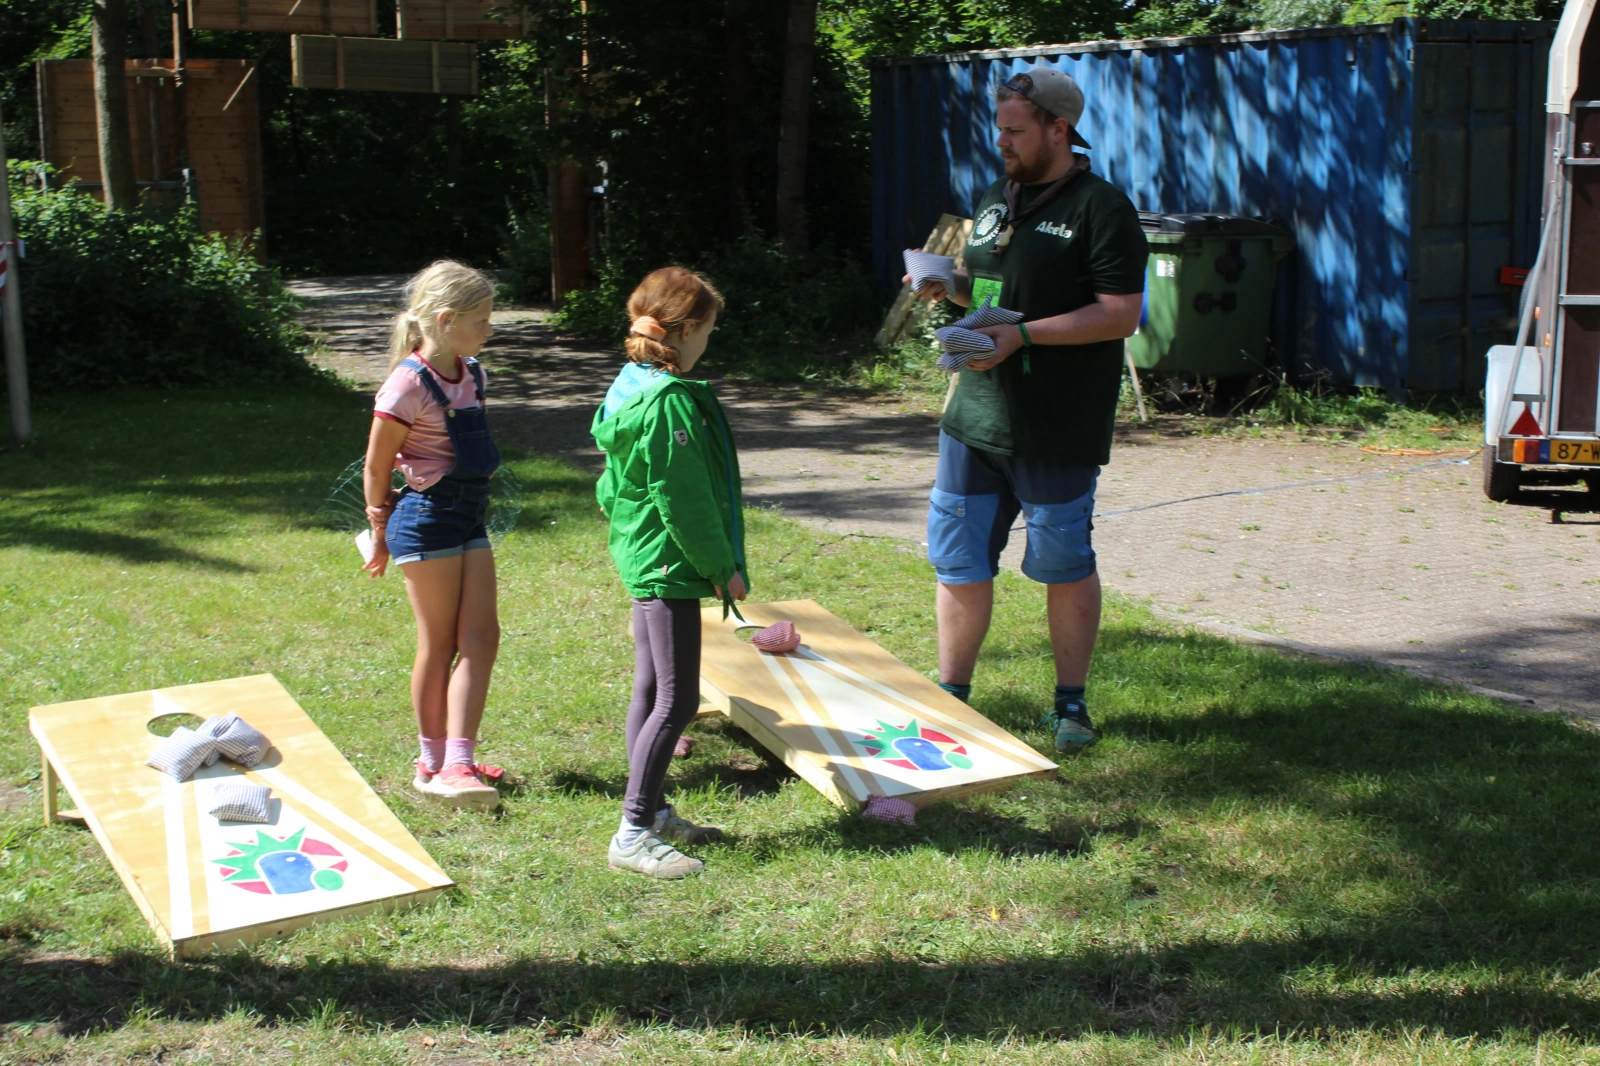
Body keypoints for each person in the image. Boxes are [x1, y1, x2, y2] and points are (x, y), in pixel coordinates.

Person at [907, 65, 1147, 753]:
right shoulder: (995, 196)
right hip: (974, 418)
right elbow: (988, 290)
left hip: (1056, 425)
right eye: (1000, 128)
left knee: (1063, 561)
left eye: (1015, 130)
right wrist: (946, 285)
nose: (1002, 141)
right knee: (959, 558)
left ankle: (1070, 708)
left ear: (1058, 128)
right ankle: (952, 696)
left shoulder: (1102, 209)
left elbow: (1120, 314)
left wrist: (1026, 336)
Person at [591, 266, 747, 879]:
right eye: (708, 330)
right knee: (677, 698)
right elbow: (683, 498)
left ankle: (652, 812)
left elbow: (614, 479)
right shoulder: (669, 401)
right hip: (668, 561)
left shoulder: (631, 381)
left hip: (644, 551)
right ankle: (632, 833)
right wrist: (722, 568)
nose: (709, 341)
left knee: (652, 687)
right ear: (684, 332)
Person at [362, 260, 504, 811]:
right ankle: (432, 762)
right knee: (439, 643)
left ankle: (459, 761)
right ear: (446, 320)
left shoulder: (473, 374)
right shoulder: (406, 384)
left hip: (469, 514)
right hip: (424, 517)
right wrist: (379, 530)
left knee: (482, 638)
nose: (489, 329)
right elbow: (377, 467)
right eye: (481, 320)